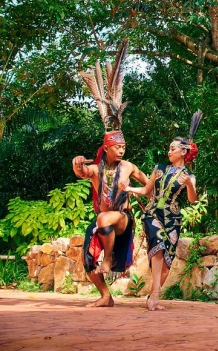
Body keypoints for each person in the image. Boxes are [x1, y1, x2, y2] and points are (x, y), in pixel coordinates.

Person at [74, 40, 148, 307]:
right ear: (106, 148)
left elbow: (149, 184)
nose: (122, 150)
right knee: (87, 261)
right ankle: (105, 296)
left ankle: (109, 259)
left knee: (105, 217)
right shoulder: (97, 169)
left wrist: (146, 195)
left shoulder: (128, 167)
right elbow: (83, 171)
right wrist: (77, 163)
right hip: (103, 222)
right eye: (117, 147)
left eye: (124, 147)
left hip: (122, 220)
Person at [123, 110, 202, 311]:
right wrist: (129, 188)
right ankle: (156, 296)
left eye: (173, 148)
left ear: (183, 151)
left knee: (167, 263)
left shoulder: (189, 175)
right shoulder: (159, 169)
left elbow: (192, 199)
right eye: (169, 148)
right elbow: (146, 190)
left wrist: (189, 185)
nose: (169, 151)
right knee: (158, 243)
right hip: (152, 213)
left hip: (172, 219)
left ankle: (153, 296)